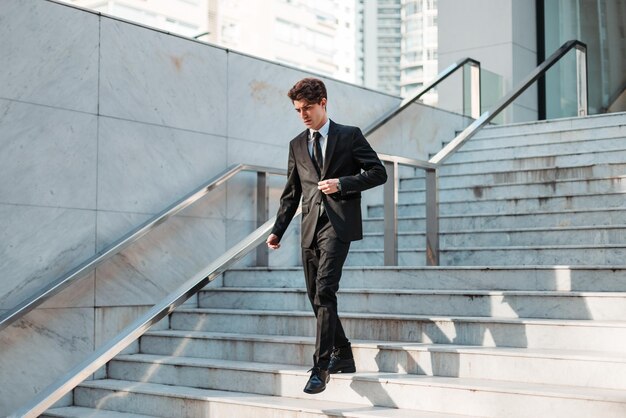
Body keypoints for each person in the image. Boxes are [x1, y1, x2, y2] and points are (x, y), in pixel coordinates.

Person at [266, 77, 387, 394]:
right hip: (309, 227)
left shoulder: (349, 136)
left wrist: (343, 183)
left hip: (339, 223)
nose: (303, 114)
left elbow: (378, 172)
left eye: (307, 108)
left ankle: (320, 368)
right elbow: (291, 194)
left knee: (324, 290)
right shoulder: (296, 144)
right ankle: (343, 353)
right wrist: (277, 231)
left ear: (323, 103)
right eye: (297, 110)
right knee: (315, 296)